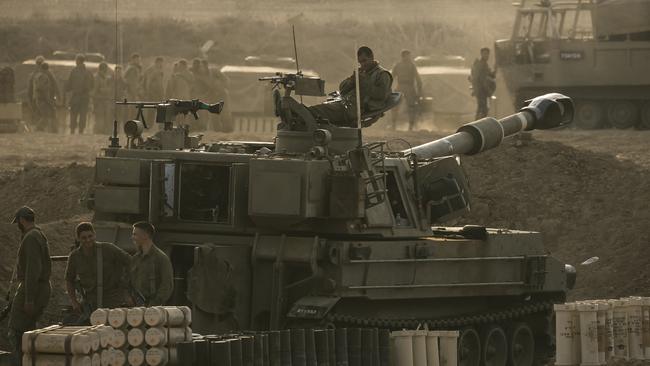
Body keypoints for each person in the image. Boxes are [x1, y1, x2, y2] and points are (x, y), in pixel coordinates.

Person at [308, 46, 393, 128]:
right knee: (310, 111)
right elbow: (342, 89)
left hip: (354, 109)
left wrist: (363, 82)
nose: (362, 64)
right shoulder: (361, 71)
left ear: (372, 57)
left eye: (364, 61)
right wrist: (352, 80)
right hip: (344, 103)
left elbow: (381, 95)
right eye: (360, 62)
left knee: (314, 112)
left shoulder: (382, 75)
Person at [8, 206, 51, 364]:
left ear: (21, 220)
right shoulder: (37, 234)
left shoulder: (31, 237)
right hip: (38, 287)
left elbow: (33, 270)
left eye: (18, 222)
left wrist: (29, 299)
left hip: (33, 288)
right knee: (28, 330)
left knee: (16, 331)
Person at [64, 222, 131, 322]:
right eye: (83, 237)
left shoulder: (108, 249)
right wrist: (74, 302)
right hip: (90, 302)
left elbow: (131, 262)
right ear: (78, 238)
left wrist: (126, 291)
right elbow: (69, 280)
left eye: (90, 236)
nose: (88, 240)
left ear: (95, 235)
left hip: (113, 299)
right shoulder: (75, 257)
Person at [130, 221, 173, 306]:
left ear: (145, 235)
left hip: (153, 309)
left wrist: (154, 304)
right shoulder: (135, 259)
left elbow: (167, 285)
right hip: (135, 308)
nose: (132, 237)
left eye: (135, 234)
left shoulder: (161, 258)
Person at [391, 49, 422, 131]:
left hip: (409, 86)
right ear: (403, 56)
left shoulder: (411, 65)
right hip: (401, 85)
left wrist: (419, 90)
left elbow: (417, 78)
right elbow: (391, 77)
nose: (409, 57)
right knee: (395, 106)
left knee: (411, 106)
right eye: (407, 55)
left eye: (409, 55)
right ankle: (393, 124)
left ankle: (410, 126)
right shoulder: (398, 65)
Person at [65, 54, 94, 134]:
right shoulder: (88, 72)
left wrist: (66, 90)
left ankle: (72, 130)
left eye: (76, 60)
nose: (75, 61)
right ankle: (81, 131)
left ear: (78, 61)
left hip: (76, 96)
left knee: (73, 114)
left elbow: (69, 84)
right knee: (83, 114)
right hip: (85, 97)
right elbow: (92, 85)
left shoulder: (74, 71)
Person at [31, 62, 60, 132]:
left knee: (48, 114)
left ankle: (49, 129)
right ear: (47, 69)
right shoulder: (43, 76)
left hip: (40, 98)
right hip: (43, 99)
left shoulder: (37, 75)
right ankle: (38, 128)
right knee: (46, 115)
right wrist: (48, 100)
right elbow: (41, 89)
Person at [470, 47, 496, 119]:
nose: (486, 56)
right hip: (481, 90)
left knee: (481, 108)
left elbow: (490, 75)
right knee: (484, 109)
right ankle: (478, 124)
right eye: (484, 54)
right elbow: (480, 79)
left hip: (482, 91)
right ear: (481, 54)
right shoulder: (481, 64)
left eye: (487, 54)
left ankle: (476, 123)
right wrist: (489, 91)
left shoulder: (484, 64)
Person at [142, 57, 165, 126]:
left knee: (160, 109)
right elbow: (148, 82)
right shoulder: (151, 70)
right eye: (160, 62)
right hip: (152, 92)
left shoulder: (160, 70)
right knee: (151, 110)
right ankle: (149, 125)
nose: (161, 64)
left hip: (158, 92)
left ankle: (158, 125)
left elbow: (160, 82)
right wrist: (148, 92)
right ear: (157, 62)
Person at [92, 62, 113, 134]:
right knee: (99, 117)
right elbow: (95, 90)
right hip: (99, 100)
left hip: (105, 100)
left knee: (105, 117)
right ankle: (98, 132)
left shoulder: (106, 77)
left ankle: (104, 131)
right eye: (104, 70)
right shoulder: (96, 77)